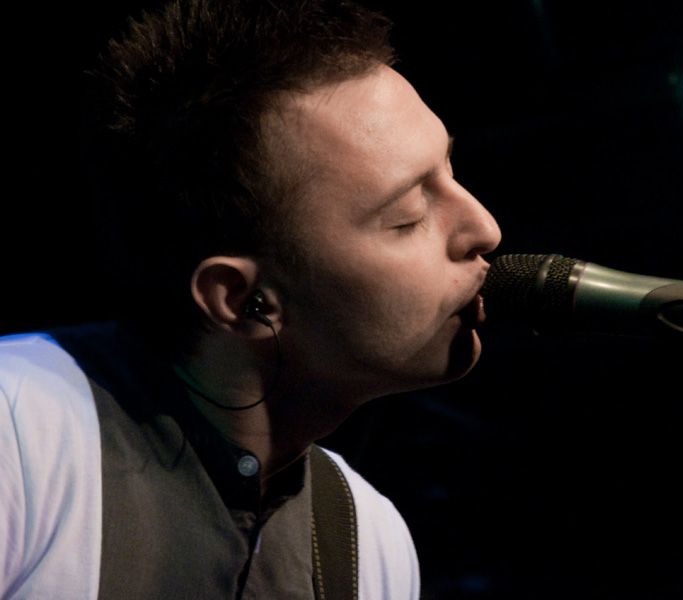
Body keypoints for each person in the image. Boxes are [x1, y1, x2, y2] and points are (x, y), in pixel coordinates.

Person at [0, 0, 501, 598]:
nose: (485, 228)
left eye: (450, 170)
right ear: (243, 301)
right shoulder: (17, 428)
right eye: (408, 215)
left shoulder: (371, 540)